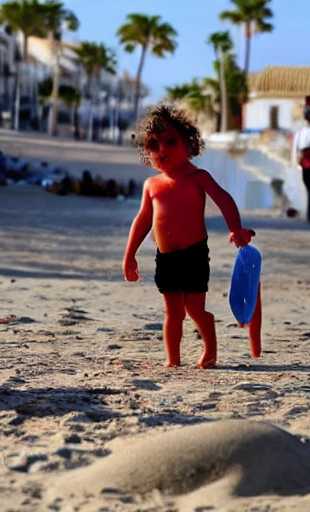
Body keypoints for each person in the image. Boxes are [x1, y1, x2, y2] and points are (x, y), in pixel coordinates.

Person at [122, 105, 253, 369]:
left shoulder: (197, 177)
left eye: (171, 141)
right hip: (166, 258)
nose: (163, 150)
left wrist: (236, 229)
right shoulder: (151, 185)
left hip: (194, 254)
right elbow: (143, 221)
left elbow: (224, 200)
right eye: (154, 145)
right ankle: (173, 361)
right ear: (146, 152)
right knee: (172, 311)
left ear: (189, 144)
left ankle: (210, 352)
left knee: (194, 309)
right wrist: (129, 256)